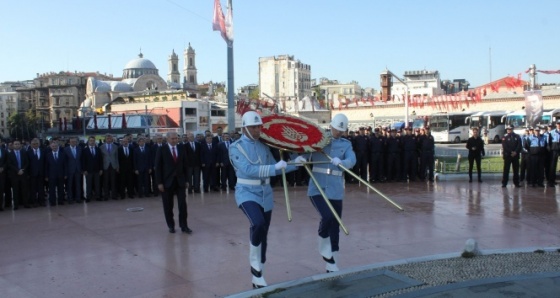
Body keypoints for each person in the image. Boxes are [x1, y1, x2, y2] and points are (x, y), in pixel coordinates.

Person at [229, 111, 297, 289]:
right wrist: (275, 166)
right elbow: (248, 170)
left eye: (259, 126)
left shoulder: (264, 146)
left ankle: (259, 274)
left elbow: (277, 168)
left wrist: (297, 163)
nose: (258, 130)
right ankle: (255, 268)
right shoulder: (235, 147)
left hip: (265, 193)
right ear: (244, 128)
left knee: (264, 234)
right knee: (257, 223)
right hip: (246, 192)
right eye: (253, 127)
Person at [300, 113, 356, 273]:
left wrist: (342, 162)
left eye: (341, 130)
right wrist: (303, 158)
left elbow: (352, 160)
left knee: (335, 224)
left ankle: (333, 262)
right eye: (336, 129)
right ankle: (321, 236)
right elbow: (305, 149)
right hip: (317, 187)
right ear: (330, 126)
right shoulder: (320, 139)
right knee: (327, 216)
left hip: (336, 189)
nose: (338, 132)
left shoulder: (346, 144)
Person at [154, 131, 191, 234]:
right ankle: (171, 225)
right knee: (168, 205)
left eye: (176, 138)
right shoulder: (161, 149)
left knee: (182, 205)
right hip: (167, 182)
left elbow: (185, 165)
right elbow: (158, 167)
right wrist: (159, 183)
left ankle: (184, 226)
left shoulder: (181, 148)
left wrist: (187, 180)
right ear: (167, 139)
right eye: (173, 139)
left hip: (180, 181)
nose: (175, 140)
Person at [7, 140, 30, 209]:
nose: (17, 145)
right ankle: (16, 205)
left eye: (18, 144)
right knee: (15, 190)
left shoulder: (24, 152)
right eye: (15, 144)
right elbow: (9, 164)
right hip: (14, 174)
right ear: (13, 145)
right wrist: (17, 170)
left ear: (20, 145)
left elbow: (27, 162)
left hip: (23, 174)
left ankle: (25, 203)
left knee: (24, 189)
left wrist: (23, 170)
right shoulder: (10, 154)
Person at [82, 136, 103, 202]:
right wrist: (84, 170)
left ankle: (98, 196)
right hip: (88, 170)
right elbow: (83, 161)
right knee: (89, 184)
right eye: (91, 140)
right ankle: (88, 197)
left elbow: (100, 160)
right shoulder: (85, 150)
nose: (92, 142)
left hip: (97, 170)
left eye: (93, 140)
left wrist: (101, 169)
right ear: (88, 141)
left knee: (97, 184)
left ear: (95, 141)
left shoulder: (98, 149)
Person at [99, 134, 119, 200]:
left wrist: (117, 166)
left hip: (113, 166)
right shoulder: (101, 147)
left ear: (112, 139)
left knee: (113, 181)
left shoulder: (115, 146)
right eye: (107, 138)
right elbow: (100, 158)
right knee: (105, 181)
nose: (109, 139)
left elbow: (117, 157)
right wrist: (101, 168)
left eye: (110, 138)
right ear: (105, 139)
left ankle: (114, 195)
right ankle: (106, 195)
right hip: (105, 166)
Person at [64, 137, 83, 203]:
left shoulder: (79, 148)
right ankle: (70, 198)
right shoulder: (65, 150)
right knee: (69, 185)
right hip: (70, 170)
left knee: (78, 184)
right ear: (69, 142)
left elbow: (81, 159)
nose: (73, 143)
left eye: (75, 141)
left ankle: (78, 198)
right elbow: (65, 162)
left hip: (78, 169)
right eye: (72, 142)